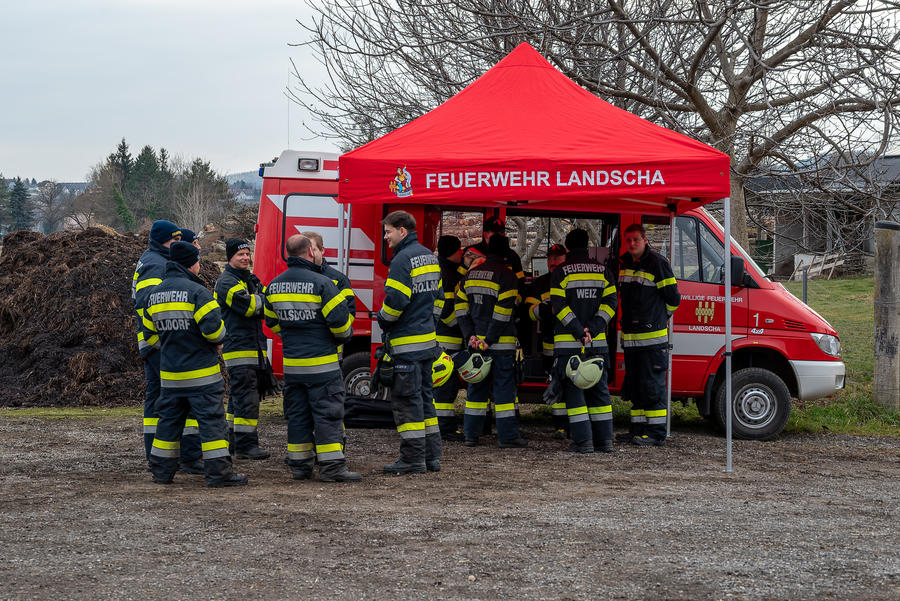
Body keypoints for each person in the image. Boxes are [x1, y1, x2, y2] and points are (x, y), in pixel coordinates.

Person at [142, 241, 248, 487]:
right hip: (202, 376)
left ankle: (161, 472)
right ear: (191, 264)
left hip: (170, 376)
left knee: (168, 423)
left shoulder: (154, 294)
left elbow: (150, 336)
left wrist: (172, 345)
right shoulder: (198, 293)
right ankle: (219, 474)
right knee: (212, 424)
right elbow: (215, 333)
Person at [264, 235, 360, 482]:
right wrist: (334, 338)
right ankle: (332, 468)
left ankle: (300, 466)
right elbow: (341, 327)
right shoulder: (323, 283)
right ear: (310, 251)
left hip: (293, 367)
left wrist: (292, 334)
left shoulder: (273, 286)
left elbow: (271, 321)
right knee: (327, 415)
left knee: (298, 416)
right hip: (322, 366)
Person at [132, 219, 202, 474]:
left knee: (161, 399)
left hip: (157, 343)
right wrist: (170, 337)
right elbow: (146, 306)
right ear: (163, 241)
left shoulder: (156, 259)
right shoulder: (155, 264)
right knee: (174, 399)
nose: (178, 245)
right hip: (160, 344)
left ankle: (162, 454)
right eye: (175, 241)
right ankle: (183, 457)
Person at [377, 211, 443, 474]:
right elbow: (439, 299)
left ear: (402, 231)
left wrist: (383, 320)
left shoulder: (402, 259)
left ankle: (412, 459)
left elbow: (396, 301)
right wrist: (429, 323)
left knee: (407, 402)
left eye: (388, 232)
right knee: (426, 399)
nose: (386, 237)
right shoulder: (429, 255)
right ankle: (431, 457)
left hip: (407, 346)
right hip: (427, 343)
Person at [550, 229, 618, 453]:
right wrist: (594, 328)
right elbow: (611, 304)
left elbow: (559, 307)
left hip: (569, 345)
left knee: (574, 392)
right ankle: (604, 441)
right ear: (588, 246)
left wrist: (578, 330)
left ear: (567, 248)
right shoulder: (603, 271)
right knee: (599, 393)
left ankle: (583, 442)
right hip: (596, 344)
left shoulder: (561, 272)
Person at [456, 235, 528, 448]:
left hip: (476, 342)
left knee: (476, 388)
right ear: (507, 254)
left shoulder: (469, 276)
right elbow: (503, 312)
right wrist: (489, 339)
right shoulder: (507, 276)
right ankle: (507, 437)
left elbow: (460, 308)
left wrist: (471, 335)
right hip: (500, 344)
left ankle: (470, 434)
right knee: (504, 390)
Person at [618, 223, 680, 446]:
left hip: (652, 340)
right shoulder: (624, 263)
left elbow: (674, 299)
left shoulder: (658, 263)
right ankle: (637, 430)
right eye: (628, 240)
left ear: (645, 240)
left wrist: (659, 319)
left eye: (636, 239)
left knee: (652, 387)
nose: (631, 244)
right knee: (635, 386)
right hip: (632, 340)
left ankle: (655, 434)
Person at [214, 238, 270, 460]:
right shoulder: (227, 282)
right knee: (247, 397)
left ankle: (233, 441)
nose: (246, 258)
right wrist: (263, 300)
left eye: (248, 254)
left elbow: (263, 299)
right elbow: (250, 307)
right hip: (239, 348)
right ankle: (247, 446)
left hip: (250, 347)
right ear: (230, 258)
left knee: (239, 398)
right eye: (240, 255)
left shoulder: (247, 279)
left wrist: (261, 298)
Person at [523, 243, 568, 438]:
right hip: (550, 343)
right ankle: (560, 426)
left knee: (572, 383)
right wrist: (546, 309)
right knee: (555, 381)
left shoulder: (572, 279)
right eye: (550, 257)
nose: (552, 261)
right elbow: (530, 314)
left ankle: (572, 425)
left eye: (557, 257)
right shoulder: (540, 284)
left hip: (573, 342)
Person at [434, 235, 465, 440]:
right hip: (447, 340)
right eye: (459, 250)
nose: (462, 252)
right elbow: (446, 311)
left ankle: (442, 427)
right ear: (452, 252)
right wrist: (463, 324)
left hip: (448, 340)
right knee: (446, 387)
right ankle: (444, 429)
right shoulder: (444, 274)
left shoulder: (447, 270)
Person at [473, 216, 525, 286]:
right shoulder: (473, 252)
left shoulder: (512, 255)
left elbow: (520, 282)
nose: (499, 236)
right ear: (485, 234)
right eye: (495, 233)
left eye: (501, 232)